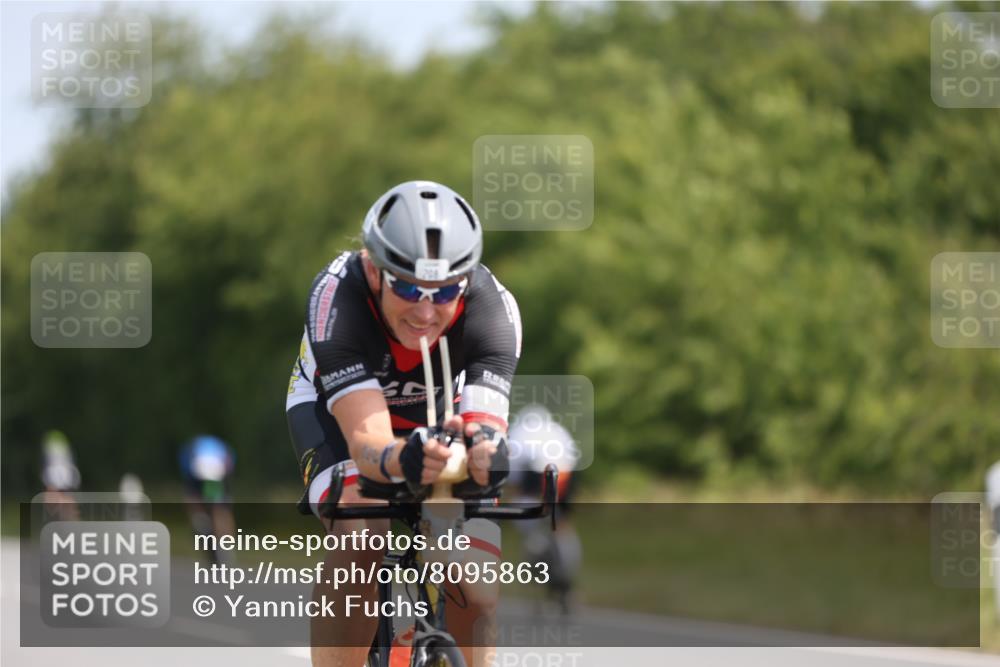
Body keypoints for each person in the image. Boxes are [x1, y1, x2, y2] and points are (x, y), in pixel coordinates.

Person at [286, 180, 521, 667]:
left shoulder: (493, 310)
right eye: (408, 286)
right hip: (340, 414)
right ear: (374, 270)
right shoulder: (337, 299)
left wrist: (484, 456)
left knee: (475, 582)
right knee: (361, 537)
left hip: (440, 410)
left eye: (445, 292)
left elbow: (486, 428)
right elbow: (367, 443)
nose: (425, 310)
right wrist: (403, 457)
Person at [507, 404, 582, 614]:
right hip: (564, 477)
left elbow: (512, 478)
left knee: (531, 528)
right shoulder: (558, 430)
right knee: (562, 527)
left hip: (535, 479)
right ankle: (565, 573)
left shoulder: (516, 433)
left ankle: (538, 564)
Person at [178, 434, 236, 564]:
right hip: (200, 472)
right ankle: (201, 522)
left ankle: (224, 544)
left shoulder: (223, 456)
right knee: (197, 503)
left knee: (219, 509)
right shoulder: (189, 456)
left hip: (217, 474)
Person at [40, 429, 81, 520]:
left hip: (61, 476)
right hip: (64, 476)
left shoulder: (55, 468)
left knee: (58, 500)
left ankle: (69, 521)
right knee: (63, 500)